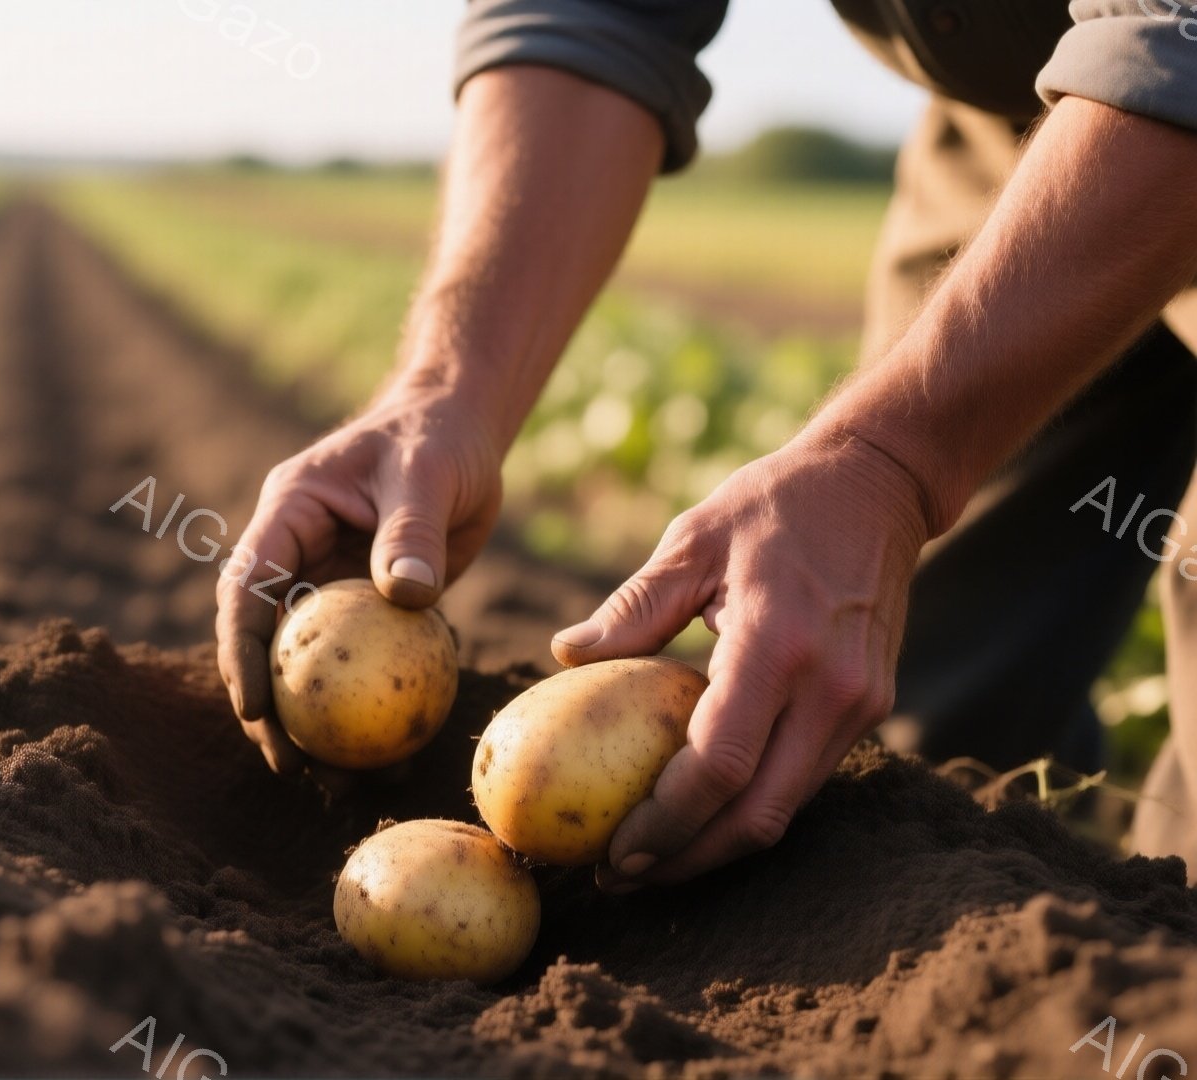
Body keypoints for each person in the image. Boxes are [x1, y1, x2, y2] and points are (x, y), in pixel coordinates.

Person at [214, 0, 1197, 889]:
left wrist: (889, 462)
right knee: (896, 696)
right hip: (1021, 111)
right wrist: (446, 387)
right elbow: (590, 16)